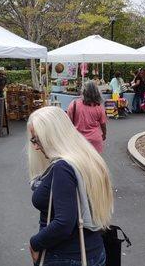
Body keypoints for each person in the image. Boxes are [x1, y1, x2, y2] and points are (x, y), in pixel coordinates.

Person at [27, 106, 113, 266]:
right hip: (94, 251)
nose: (35, 147)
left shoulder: (62, 167)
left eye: (36, 139)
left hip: (66, 256)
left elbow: (64, 223)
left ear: (52, 137)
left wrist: (34, 242)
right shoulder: (87, 158)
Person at [67, 81, 107, 154]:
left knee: (80, 163)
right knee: (94, 163)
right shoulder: (99, 107)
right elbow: (103, 124)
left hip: (78, 140)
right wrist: (104, 134)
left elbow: (68, 123)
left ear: (83, 91)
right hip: (95, 141)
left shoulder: (74, 104)